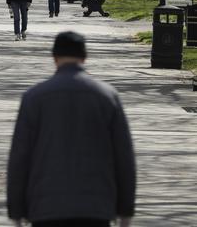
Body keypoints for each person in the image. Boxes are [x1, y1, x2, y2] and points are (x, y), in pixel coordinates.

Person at [7, 32, 136, 227]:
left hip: (46, 206)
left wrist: (16, 211)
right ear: (84, 57)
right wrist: (125, 211)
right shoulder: (107, 97)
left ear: (54, 57)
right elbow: (124, 157)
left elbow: (20, 157)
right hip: (96, 207)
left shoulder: (34, 98)